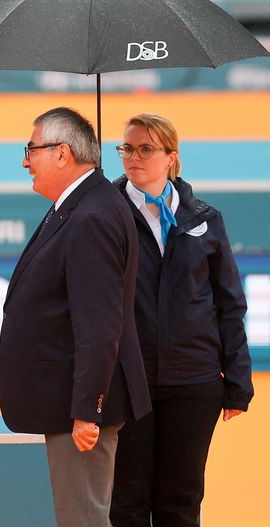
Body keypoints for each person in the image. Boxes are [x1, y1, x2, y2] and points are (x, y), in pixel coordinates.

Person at [0, 107, 152, 527]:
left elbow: (99, 325)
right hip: (70, 399)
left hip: (79, 406)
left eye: (31, 150)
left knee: (82, 519)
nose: (26, 161)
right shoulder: (84, 204)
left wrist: (88, 408)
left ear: (62, 153)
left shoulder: (92, 215)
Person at [110, 113, 253, 527]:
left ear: (171, 157)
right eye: (127, 148)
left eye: (146, 148)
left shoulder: (205, 217)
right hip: (127, 383)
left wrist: (238, 382)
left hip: (195, 383)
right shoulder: (104, 216)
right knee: (126, 505)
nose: (133, 157)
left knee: (181, 503)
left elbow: (229, 304)